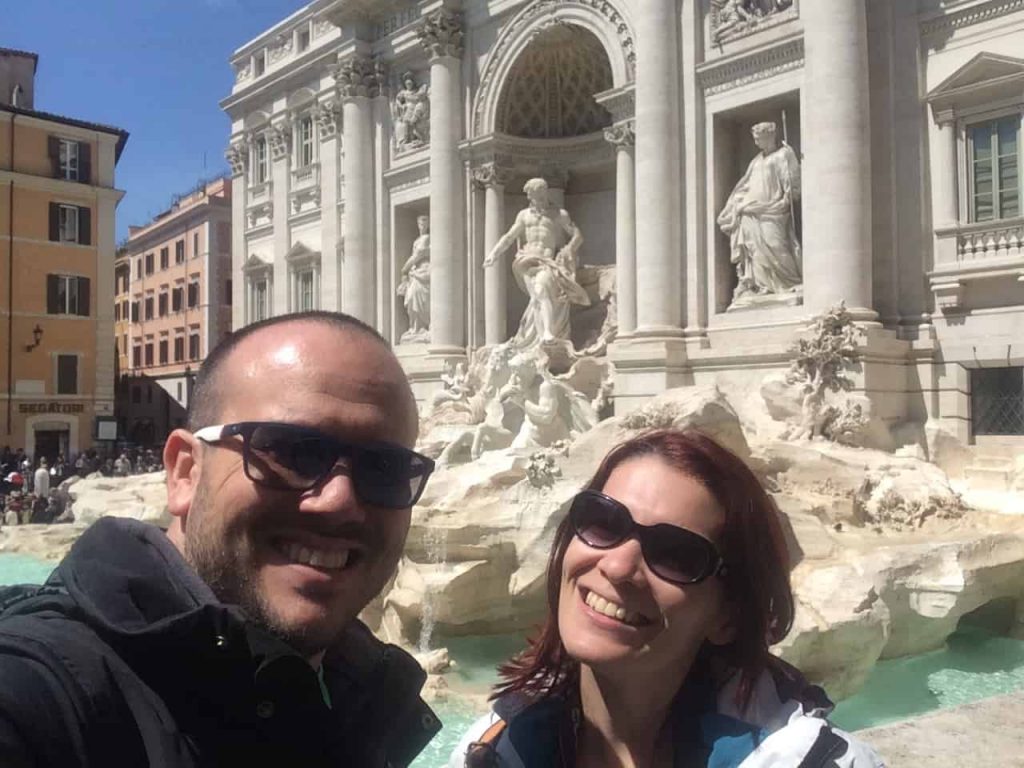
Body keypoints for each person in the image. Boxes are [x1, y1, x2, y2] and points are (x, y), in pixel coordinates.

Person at [0, 311, 441, 767]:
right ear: (185, 472)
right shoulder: (40, 696)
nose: (340, 501)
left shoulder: (360, 692)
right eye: (292, 450)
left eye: (384, 469)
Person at [450, 430, 884, 767]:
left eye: (675, 554)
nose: (618, 566)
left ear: (728, 615)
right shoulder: (490, 749)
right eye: (603, 521)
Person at [484, 178, 590, 350]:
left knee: (540, 290)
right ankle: (542, 334)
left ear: (545, 193)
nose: (537, 201)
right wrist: (494, 254)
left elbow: (577, 235)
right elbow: (509, 236)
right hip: (525, 261)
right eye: (534, 198)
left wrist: (569, 249)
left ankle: (545, 333)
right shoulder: (524, 215)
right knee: (537, 295)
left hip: (546, 261)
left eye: (541, 197)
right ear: (529, 197)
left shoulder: (559, 214)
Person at [716, 121, 802, 304]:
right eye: (754, 139)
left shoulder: (783, 154)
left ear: (768, 136)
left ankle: (789, 283)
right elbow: (745, 184)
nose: (755, 143)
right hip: (750, 212)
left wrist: (789, 193)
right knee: (754, 251)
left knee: (776, 244)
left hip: (774, 210)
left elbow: (792, 182)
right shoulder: (755, 161)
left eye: (758, 138)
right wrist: (737, 203)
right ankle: (761, 286)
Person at [397, 214, 431, 343]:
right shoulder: (416, 240)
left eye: (424, 222)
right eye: (420, 223)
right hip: (415, 272)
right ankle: (415, 328)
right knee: (411, 299)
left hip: (424, 270)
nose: (422, 225)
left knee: (419, 298)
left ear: (428, 224)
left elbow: (418, 254)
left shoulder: (426, 238)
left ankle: (421, 326)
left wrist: (404, 269)